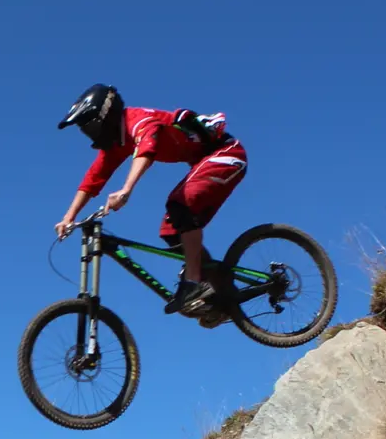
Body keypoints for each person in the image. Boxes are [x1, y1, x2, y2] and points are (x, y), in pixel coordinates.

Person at [53, 84, 247, 321]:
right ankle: (218, 292)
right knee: (171, 230)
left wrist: (126, 189)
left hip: (226, 153)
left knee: (180, 204)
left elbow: (147, 148)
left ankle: (194, 281)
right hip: (204, 160)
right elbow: (93, 179)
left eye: (88, 126)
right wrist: (69, 217)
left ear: (104, 117)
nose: (88, 134)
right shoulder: (117, 143)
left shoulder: (138, 119)